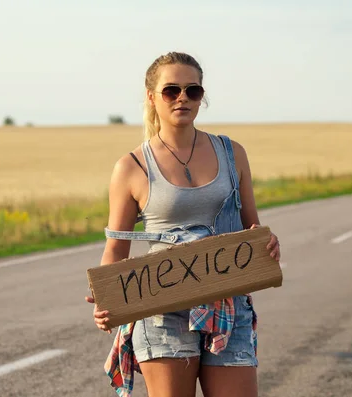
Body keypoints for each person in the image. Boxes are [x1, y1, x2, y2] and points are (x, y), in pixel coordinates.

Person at [84, 51, 281, 397]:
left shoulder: (233, 153)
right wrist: (107, 300)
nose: (182, 98)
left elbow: (252, 230)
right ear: (151, 97)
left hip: (228, 306)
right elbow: (116, 249)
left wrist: (267, 246)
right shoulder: (132, 167)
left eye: (193, 91)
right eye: (171, 90)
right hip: (161, 312)